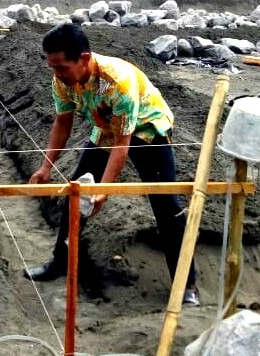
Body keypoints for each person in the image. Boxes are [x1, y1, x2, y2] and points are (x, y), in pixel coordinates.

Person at [23, 23, 200, 306]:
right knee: (75, 195)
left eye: (62, 67)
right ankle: (60, 262)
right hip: (105, 126)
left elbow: (123, 141)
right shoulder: (62, 79)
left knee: (166, 205)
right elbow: (62, 123)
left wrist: (104, 189)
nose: (57, 74)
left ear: (84, 58)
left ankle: (187, 283)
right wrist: (45, 167)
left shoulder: (117, 81)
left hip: (147, 128)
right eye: (52, 67)